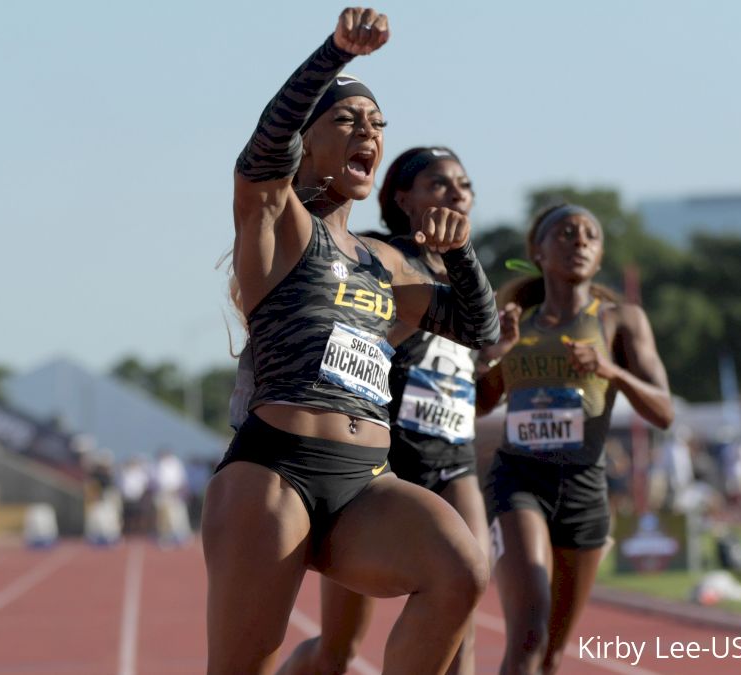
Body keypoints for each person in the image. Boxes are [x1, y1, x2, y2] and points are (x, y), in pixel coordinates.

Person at [203, 8, 500, 674]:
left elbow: (477, 330)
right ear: (307, 144)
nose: (368, 131)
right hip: (273, 473)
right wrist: (334, 54)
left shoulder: (382, 260)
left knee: (460, 569)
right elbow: (261, 152)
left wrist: (460, 254)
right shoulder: (278, 220)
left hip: (365, 482)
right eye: (348, 120)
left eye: (378, 125)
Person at [278, 146, 488, 675]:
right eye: (439, 184)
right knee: (338, 651)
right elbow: (355, 336)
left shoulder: (465, 273)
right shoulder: (381, 258)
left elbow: (473, 381)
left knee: (462, 604)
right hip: (380, 465)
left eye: (463, 183)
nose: (456, 192)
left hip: (452, 459)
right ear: (402, 197)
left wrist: (495, 362)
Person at [474, 203, 674, 675]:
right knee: (528, 636)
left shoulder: (620, 321)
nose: (579, 241)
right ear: (538, 252)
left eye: (589, 235)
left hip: (585, 488)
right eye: (565, 234)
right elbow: (481, 403)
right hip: (518, 479)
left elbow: (663, 411)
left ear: (600, 255)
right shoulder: (515, 322)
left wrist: (611, 371)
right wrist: (494, 356)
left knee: (552, 655)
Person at [152, 449, 193, 547]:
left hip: (176, 493)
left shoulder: (176, 463)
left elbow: (181, 478)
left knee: (178, 515)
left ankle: (181, 536)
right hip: (163, 493)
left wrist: (178, 490)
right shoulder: (158, 464)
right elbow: (156, 479)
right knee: (164, 518)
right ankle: (166, 537)